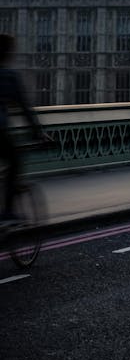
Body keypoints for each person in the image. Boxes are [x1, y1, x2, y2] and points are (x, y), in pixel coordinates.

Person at [1, 34, 51, 224]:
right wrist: (38, 133)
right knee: (13, 162)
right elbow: (24, 107)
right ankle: (6, 213)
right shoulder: (8, 75)